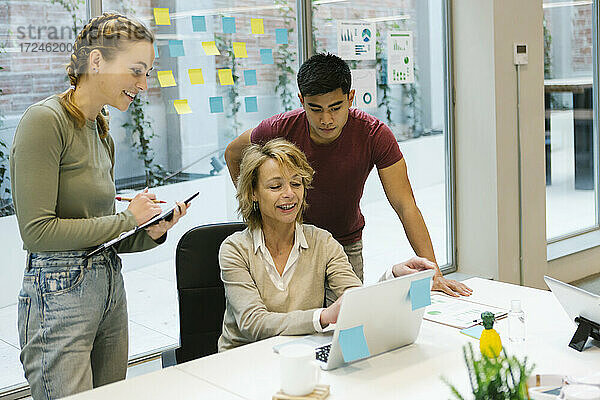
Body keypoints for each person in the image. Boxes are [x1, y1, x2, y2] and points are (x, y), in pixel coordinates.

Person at [10, 13, 188, 400]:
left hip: (108, 287)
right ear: (96, 62)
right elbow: (37, 232)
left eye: (148, 73)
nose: (143, 84)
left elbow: (106, 235)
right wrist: (126, 218)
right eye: (137, 71)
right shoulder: (44, 122)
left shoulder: (100, 131)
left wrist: (148, 231)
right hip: (58, 294)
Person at [224, 53, 471, 299]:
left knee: (349, 322)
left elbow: (405, 205)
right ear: (301, 100)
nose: (326, 119)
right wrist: (253, 204)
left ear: (350, 98)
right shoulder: (279, 129)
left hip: (344, 245)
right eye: (315, 109)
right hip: (289, 245)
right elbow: (233, 153)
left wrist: (434, 271)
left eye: (335, 107)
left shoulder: (374, 134)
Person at [218, 138, 436, 351]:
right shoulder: (235, 250)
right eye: (276, 186)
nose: (289, 194)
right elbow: (253, 323)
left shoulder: (322, 242)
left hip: (300, 353)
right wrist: (323, 316)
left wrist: (393, 276)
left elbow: (355, 300)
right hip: (245, 359)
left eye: (296, 183)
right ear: (253, 193)